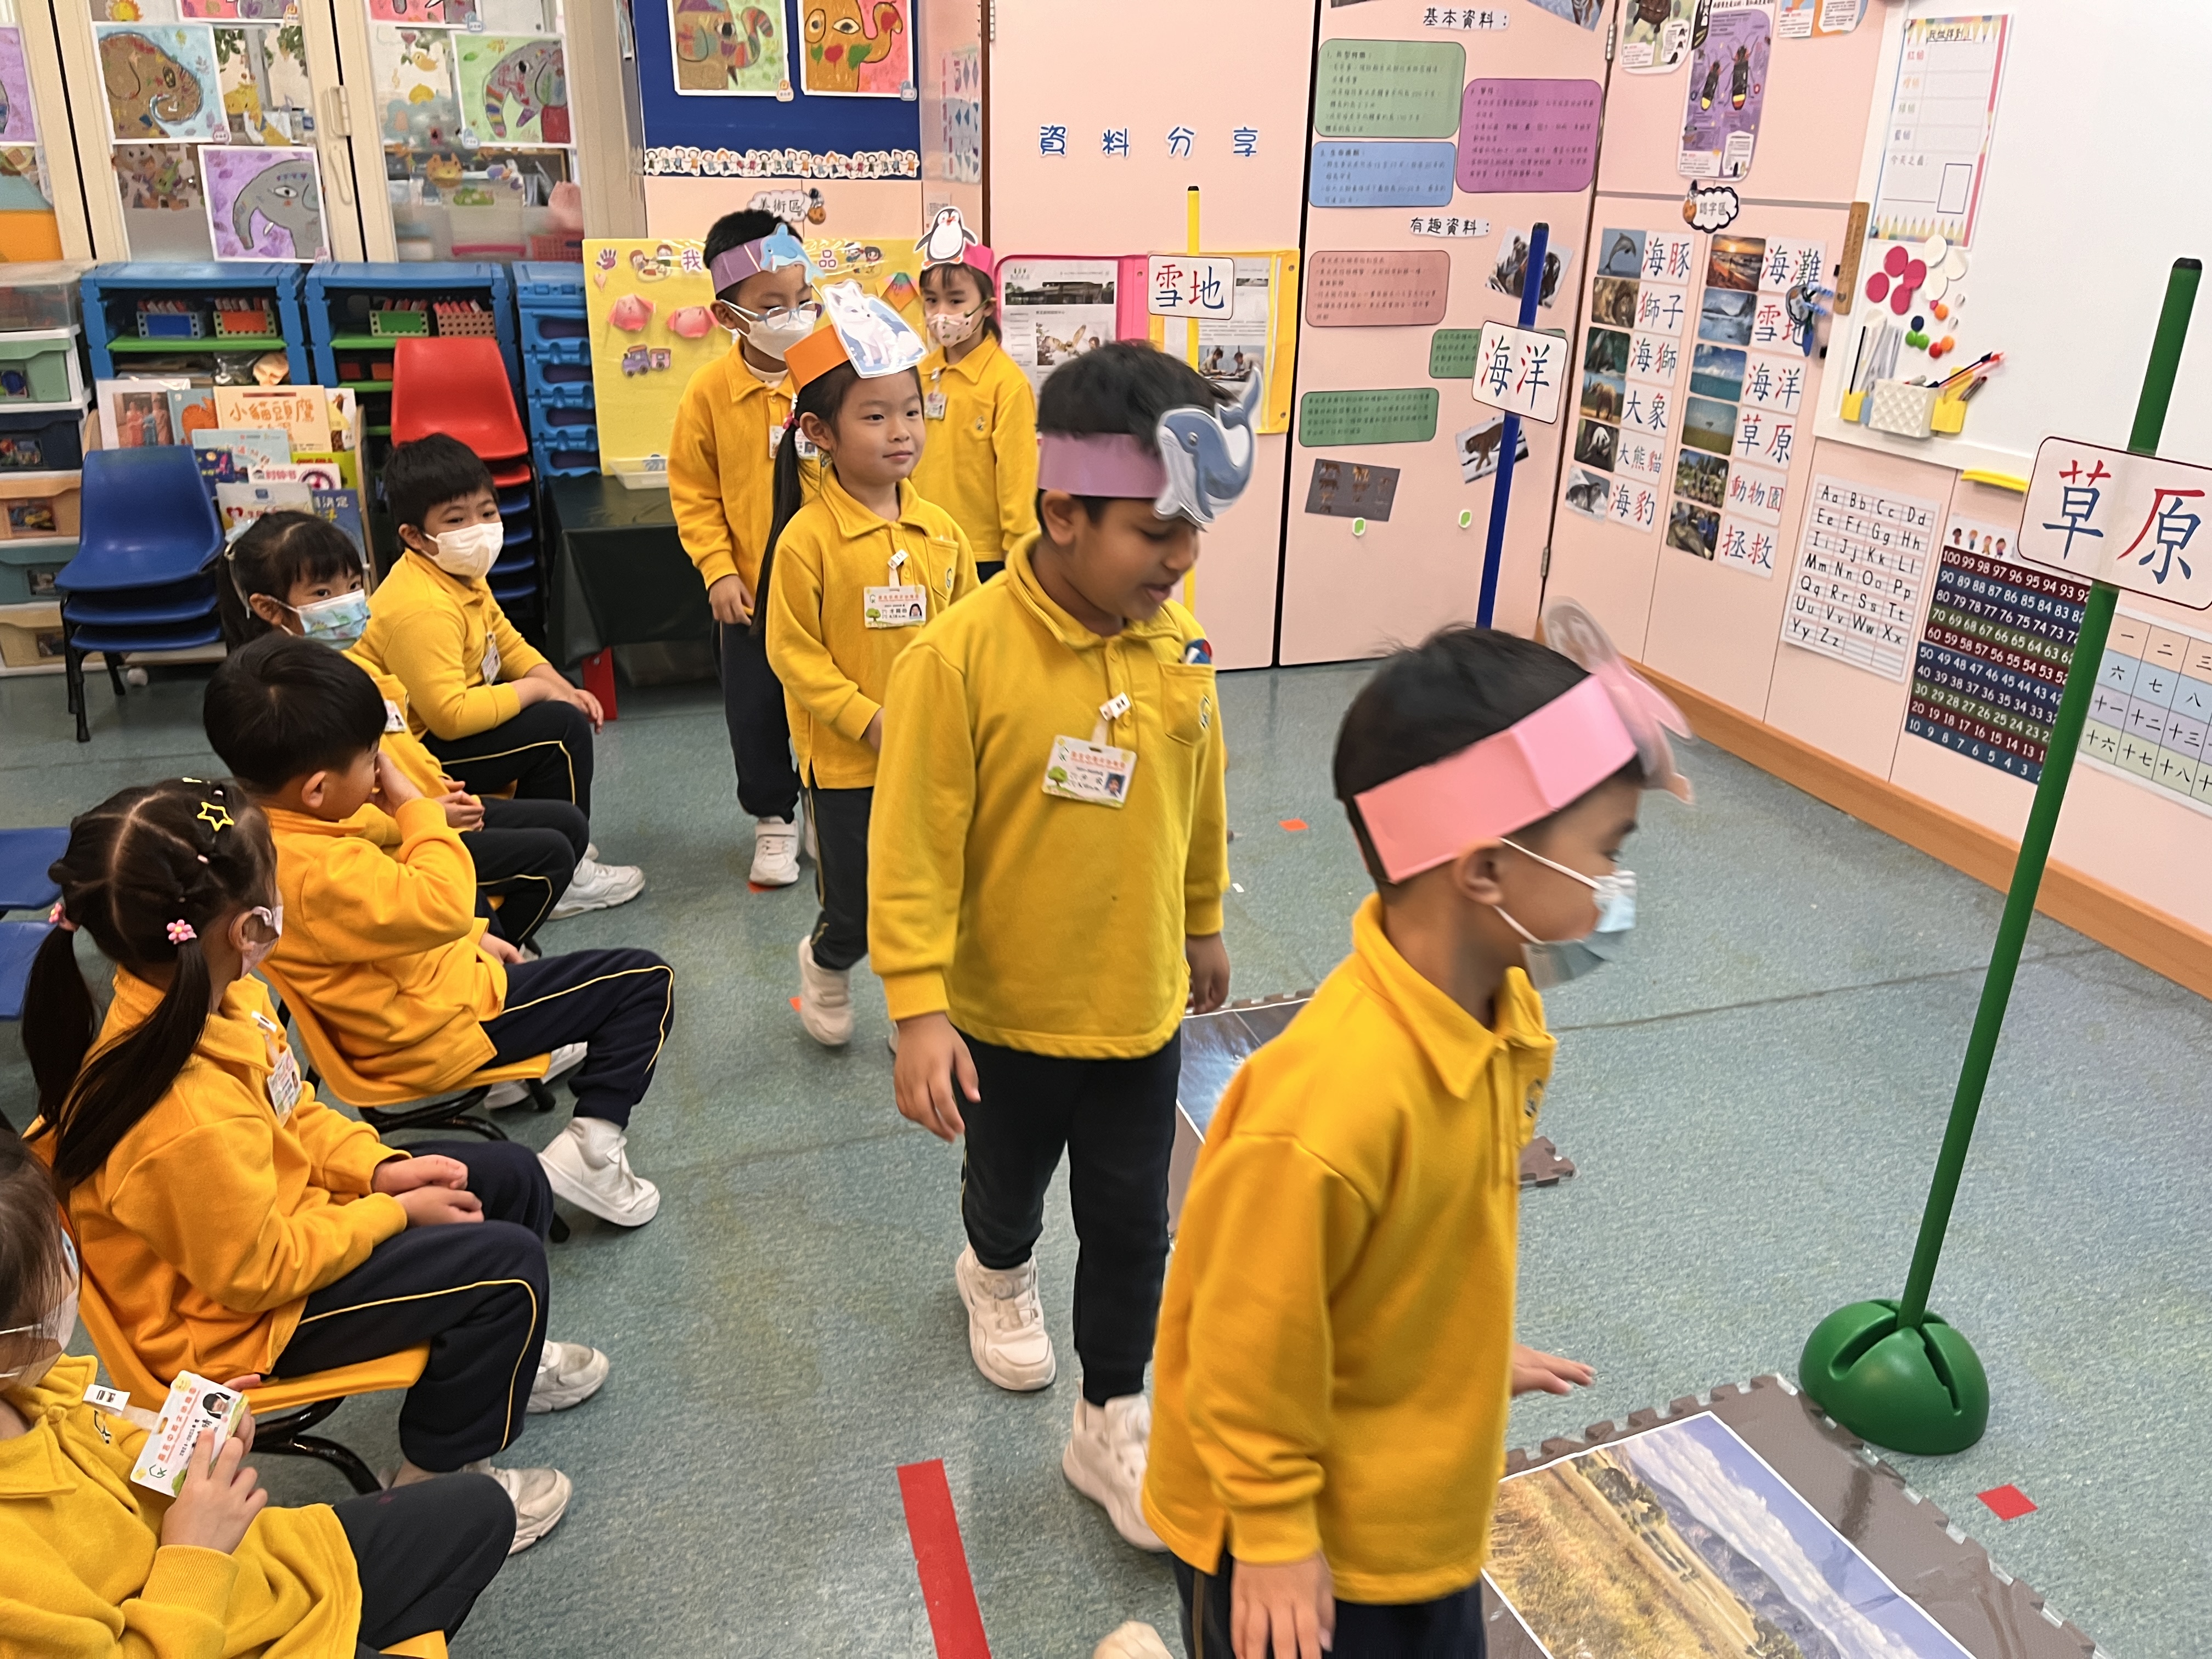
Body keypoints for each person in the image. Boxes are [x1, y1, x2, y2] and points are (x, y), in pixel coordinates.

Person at [1143, 610, 1693, 1658]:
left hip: (1412, 1505)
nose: (1616, 888)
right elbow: (1238, 1342)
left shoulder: (1498, 1009)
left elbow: (1412, 1242)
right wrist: (1272, 1535)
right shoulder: (1325, 1105)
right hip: (1284, 1537)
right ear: (1483, 870)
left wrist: (1454, 1351)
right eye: (1604, 854)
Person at [870, 342, 1261, 1547]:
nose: (1180, 559)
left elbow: (1200, 792)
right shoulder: (958, 658)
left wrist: (1202, 916)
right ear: (1062, 514)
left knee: (1135, 1223)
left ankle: (1111, 1417)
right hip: (1006, 1016)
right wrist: (918, 1006)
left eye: (1193, 534)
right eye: (1155, 532)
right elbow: (912, 845)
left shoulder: (1175, 642)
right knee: (1008, 1190)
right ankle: (992, 1269)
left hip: (1138, 1007)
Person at [21, 780, 610, 1553]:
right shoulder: (182, 1115)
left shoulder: (222, 994)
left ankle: (502, 1367)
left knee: (511, 1179)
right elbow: (259, 1272)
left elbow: (293, 1111)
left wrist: (376, 1171)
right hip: (240, 1329)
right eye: (274, 880)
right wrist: (390, 1213)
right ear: (245, 927)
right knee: (506, 1274)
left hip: (282, 1235)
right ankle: (437, 1485)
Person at [204, 635, 678, 1228]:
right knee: (645, 983)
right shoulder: (324, 871)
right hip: (435, 1029)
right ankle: (592, 1153)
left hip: (412, 1001)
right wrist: (415, 808)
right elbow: (444, 899)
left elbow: (381, 920)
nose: (383, 769)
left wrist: (469, 938)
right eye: (372, 759)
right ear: (318, 789)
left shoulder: (266, 839)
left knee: (532, 946)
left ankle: (554, 1068)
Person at [0, 1135, 520, 1652]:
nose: (70, 1268)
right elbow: (261, 1268)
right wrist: (194, 1553)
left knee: (481, 1510)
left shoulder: (33, 1377)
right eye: (54, 1261)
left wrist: (187, 1447)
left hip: (254, 1576)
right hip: (215, 1611)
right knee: (507, 1266)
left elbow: (105, 1443)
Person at [217, 510, 599, 944]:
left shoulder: (348, 658)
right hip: (390, 838)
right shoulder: (285, 703)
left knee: (568, 825)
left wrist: (435, 785)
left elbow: (401, 743)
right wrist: (427, 813)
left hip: (423, 805)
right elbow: (332, 815)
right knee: (547, 856)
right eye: (323, 592)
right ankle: (491, 960)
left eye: (354, 586)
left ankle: (490, 949)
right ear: (269, 608)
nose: (347, 602)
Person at [762, 298, 977, 1046]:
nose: (901, 432)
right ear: (820, 432)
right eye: (876, 417)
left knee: (933, 893)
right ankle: (826, 964)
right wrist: (871, 720)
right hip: (850, 765)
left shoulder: (941, 532)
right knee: (855, 906)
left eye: (911, 412)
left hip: (934, 756)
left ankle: (916, 1009)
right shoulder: (807, 540)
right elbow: (792, 653)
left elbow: (972, 636)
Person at [352, 433, 642, 915]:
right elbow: (450, 718)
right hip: (416, 757)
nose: (479, 529)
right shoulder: (422, 608)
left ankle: (555, 841)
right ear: (414, 536)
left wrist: (558, 685)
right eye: (456, 520)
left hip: (446, 730)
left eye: (487, 512)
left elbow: (504, 640)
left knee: (561, 710)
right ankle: (565, 876)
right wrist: (537, 691)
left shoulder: (456, 573)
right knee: (559, 728)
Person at [668, 211, 823, 887]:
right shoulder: (709, 394)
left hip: (828, 590)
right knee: (756, 715)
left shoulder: (829, 377)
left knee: (830, 705)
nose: (794, 315)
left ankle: (827, 804)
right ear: (728, 316)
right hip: (752, 599)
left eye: (803, 298)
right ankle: (773, 820)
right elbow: (694, 491)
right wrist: (717, 571)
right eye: (773, 305)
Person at [909, 212, 1038, 583]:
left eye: (956, 300)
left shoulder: (1006, 384)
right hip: (920, 540)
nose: (941, 314)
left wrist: (1020, 554)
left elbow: (1018, 478)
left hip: (982, 555)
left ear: (987, 306)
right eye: (931, 301)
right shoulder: (919, 374)